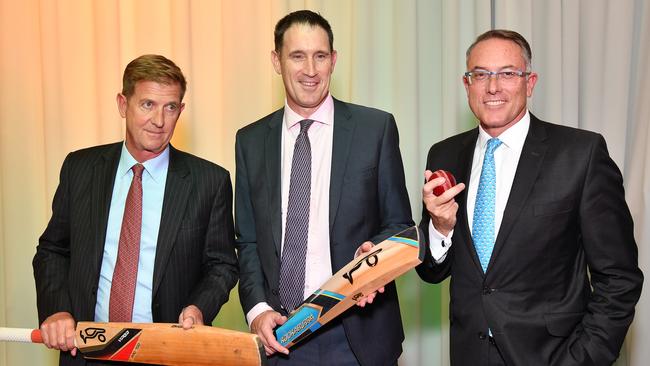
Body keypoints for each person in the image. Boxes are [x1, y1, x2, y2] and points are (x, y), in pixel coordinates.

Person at [417, 29, 644, 365]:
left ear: (530, 82)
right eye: (480, 75)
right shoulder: (444, 155)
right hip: (470, 354)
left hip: (553, 356)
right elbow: (433, 272)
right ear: (467, 85)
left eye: (507, 73)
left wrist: (583, 359)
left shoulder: (580, 154)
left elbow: (619, 279)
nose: (493, 87)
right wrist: (440, 228)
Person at [33, 54, 239, 366]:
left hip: (168, 354)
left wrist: (199, 307)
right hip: (85, 353)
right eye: (147, 105)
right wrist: (57, 309)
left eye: (170, 107)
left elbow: (222, 265)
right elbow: (52, 249)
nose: (159, 120)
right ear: (122, 104)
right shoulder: (80, 168)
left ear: (180, 110)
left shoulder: (209, 181)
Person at [234, 9, 413, 366]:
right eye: (297, 56)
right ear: (276, 61)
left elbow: (399, 226)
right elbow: (248, 241)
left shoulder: (374, 129)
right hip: (280, 336)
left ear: (334, 60)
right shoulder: (250, 141)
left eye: (320, 56)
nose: (310, 70)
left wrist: (373, 258)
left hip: (357, 335)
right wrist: (256, 310)